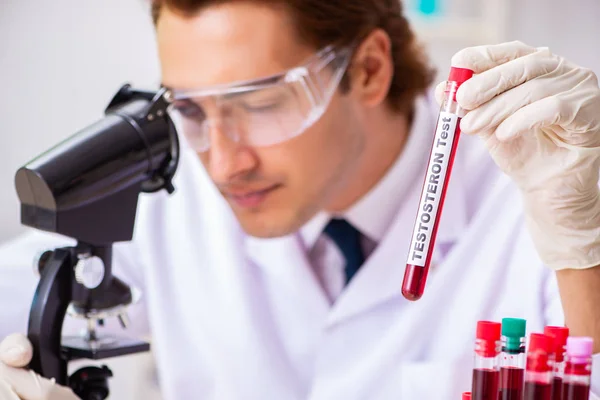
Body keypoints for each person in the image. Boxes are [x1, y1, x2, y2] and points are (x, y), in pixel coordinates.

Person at [1, 0, 600, 398]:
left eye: (260, 105)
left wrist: (586, 253)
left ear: (367, 69)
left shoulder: (551, 199)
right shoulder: (172, 205)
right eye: (189, 109)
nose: (225, 162)